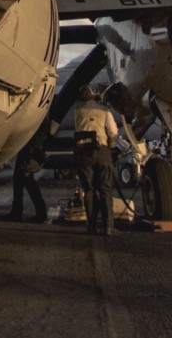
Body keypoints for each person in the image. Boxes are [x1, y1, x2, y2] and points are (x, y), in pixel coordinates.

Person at [72, 85, 120, 236]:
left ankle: (91, 226)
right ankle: (108, 227)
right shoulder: (104, 110)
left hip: (83, 153)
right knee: (105, 189)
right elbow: (113, 132)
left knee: (89, 190)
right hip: (101, 151)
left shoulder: (77, 111)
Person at [7, 113, 57, 222]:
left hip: (29, 151)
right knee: (27, 183)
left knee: (23, 182)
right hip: (31, 150)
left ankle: (20, 212)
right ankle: (36, 212)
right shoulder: (43, 117)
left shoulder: (38, 118)